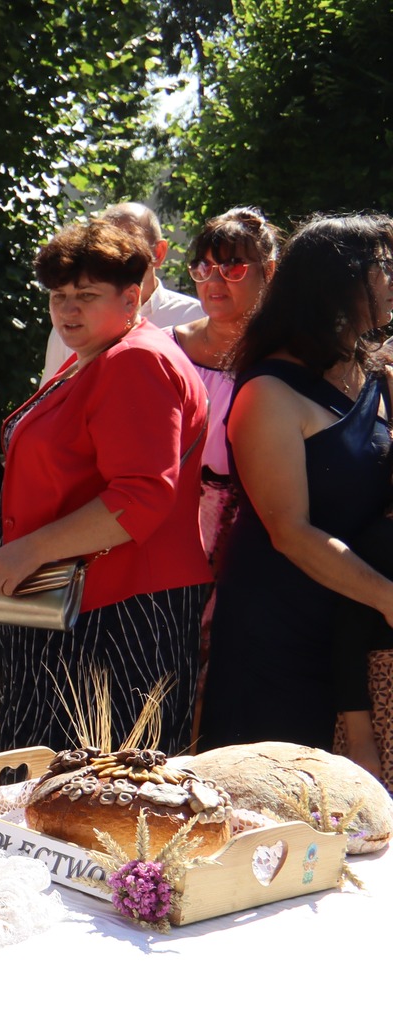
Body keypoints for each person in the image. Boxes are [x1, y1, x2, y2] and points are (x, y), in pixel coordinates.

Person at [0, 218, 211, 755]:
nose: (68, 309)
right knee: (54, 789)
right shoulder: (99, 355)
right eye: (59, 296)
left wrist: (28, 551)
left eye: (86, 295)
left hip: (117, 608)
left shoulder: (135, 360)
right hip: (75, 601)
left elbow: (141, 496)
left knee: (98, 794)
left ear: (132, 297)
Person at [202, 215, 393, 760]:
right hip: (278, 641)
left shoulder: (375, 377)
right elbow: (290, 531)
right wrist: (388, 599)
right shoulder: (269, 391)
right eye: (386, 270)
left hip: (353, 639)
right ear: (341, 281)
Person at [171, 208, 283, 559]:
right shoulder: (161, 351)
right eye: (203, 268)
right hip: (161, 542)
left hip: (253, 551)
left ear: (268, 272)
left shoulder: (289, 363)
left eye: (232, 267)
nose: (214, 282)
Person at [41, 201, 206, 385]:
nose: (116, 255)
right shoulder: (69, 323)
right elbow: (49, 402)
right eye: (104, 247)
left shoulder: (195, 318)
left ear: (158, 253)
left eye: (130, 242)